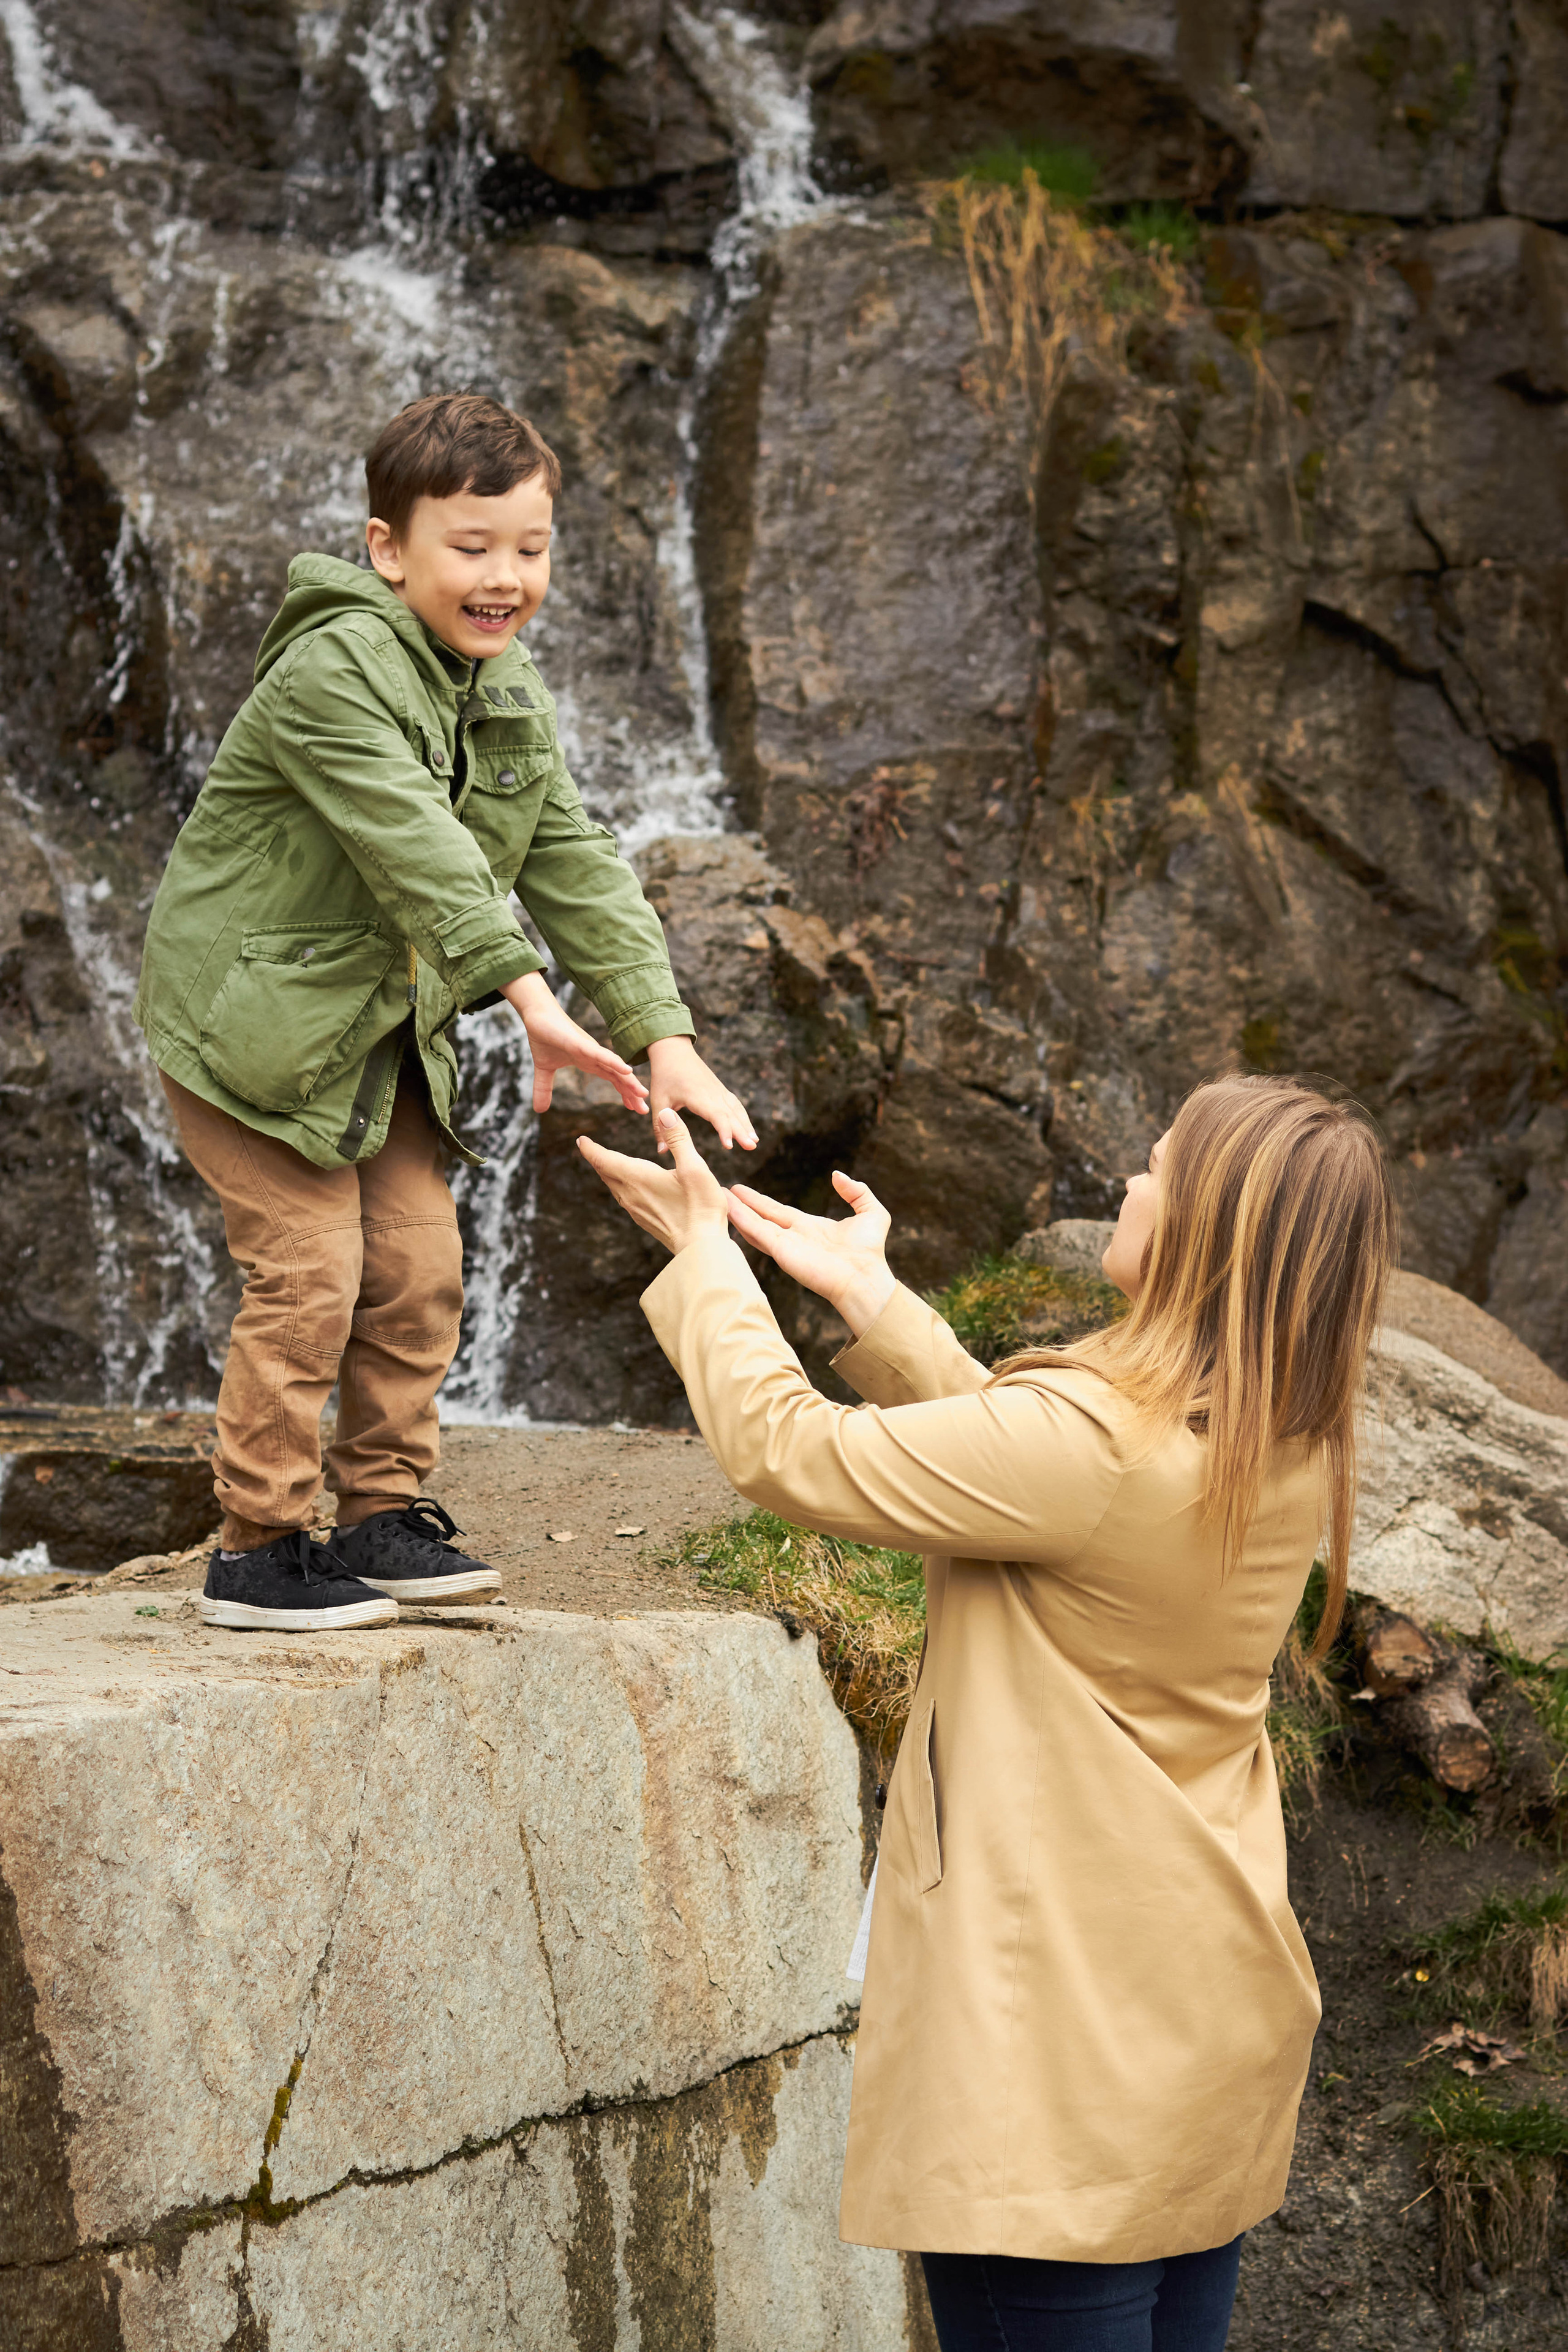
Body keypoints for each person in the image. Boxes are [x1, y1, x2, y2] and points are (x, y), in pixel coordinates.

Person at [580, 1075, 1395, 2352]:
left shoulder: (1096, 1450)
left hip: (1054, 2067)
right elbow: (1044, 1476)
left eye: (1157, 1165)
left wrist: (704, 1261)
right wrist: (876, 1306)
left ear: (1206, 1233)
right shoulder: (1272, 1436)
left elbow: (786, 1449)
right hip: (1195, 2026)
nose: (1129, 1181)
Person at [134, 391, 754, 1632]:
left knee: (418, 1273)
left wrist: (661, 1034)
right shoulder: (330, 667)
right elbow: (415, 849)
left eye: (528, 549)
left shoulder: (504, 682)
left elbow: (570, 851)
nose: (504, 577)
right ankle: (256, 1548)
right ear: (387, 550)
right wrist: (528, 999)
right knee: (312, 1275)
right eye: (470, 548)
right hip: (250, 1035)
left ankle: (380, 1515)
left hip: (376, 1039)